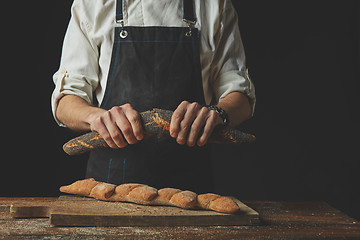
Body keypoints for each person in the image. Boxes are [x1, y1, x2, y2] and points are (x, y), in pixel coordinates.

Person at [52, 0, 256, 193]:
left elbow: (241, 96)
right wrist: (95, 118)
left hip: (190, 192)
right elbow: (66, 101)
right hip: (109, 187)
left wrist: (218, 113)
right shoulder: (93, 4)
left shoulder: (214, 5)